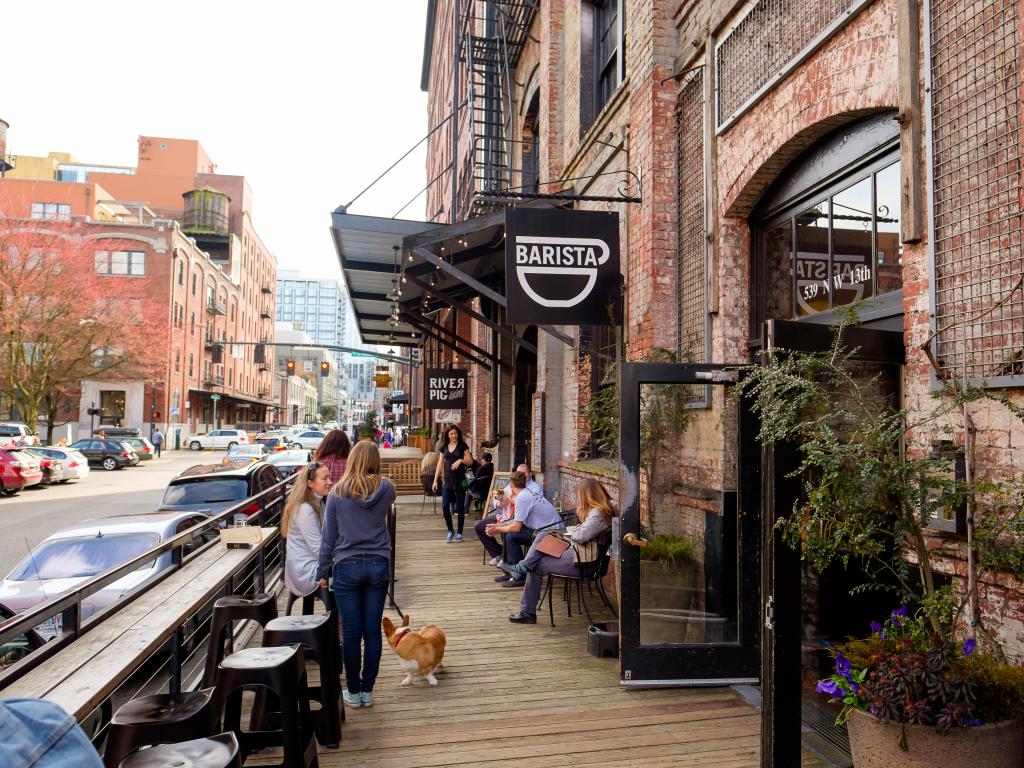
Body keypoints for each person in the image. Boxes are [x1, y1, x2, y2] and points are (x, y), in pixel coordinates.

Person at [317, 441, 396, 709]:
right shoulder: (386, 489)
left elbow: (328, 537)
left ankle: (352, 690)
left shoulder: (337, 492)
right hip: (378, 563)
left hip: (346, 565)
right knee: (371, 631)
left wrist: (322, 570)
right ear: (375, 460)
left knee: (351, 633)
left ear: (352, 460)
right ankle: (367, 691)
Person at [505, 478, 617, 623]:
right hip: (584, 555)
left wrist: (573, 530)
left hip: (585, 562)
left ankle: (527, 609)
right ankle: (522, 569)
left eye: (580, 496)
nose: (579, 499)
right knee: (544, 535)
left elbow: (582, 536)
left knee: (537, 564)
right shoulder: (607, 508)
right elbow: (585, 533)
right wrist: (576, 530)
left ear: (588, 495)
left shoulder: (599, 513)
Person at [486, 470, 562, 587]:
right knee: (507, 532)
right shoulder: (526, 493)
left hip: (551, 534)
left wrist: (497, 530)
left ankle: (520, 576)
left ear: (511, 485)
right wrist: (498, 526)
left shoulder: (522, 498)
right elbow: (517, 521)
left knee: (511, 536)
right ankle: (509, 572)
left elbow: (516, 527)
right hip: (545, 530)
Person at [282, 461, 333, 613]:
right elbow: (319, 549)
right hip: (305, 571)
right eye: (325, 478)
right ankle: (336, 630)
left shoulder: (318, 503)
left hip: (303, 565)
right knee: (347, 577)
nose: (330, 482)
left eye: (329, 477)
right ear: (310, 483)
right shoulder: (306, 510)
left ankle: (337, 629)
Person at [432, 425, 472, 542]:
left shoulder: (462, 446)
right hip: (447, 481)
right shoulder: (444, 447)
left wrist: (461, 460)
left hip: (461, 481)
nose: (454, 436)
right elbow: (440, 464)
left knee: (460, 508)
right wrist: (435, 480)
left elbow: (469, 461)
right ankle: (450, 530)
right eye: (451, 434)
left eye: (455, 433)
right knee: (445, 506)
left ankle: (459, 532)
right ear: (448, 435)